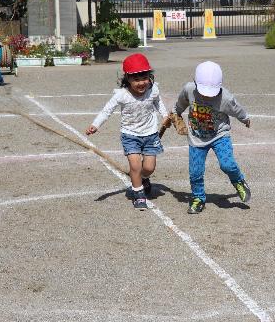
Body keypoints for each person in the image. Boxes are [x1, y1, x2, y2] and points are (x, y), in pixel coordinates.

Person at [86, 53, 170, 209]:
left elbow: (158, 103)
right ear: (127, 79)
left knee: (149, 168)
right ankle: (138, 193)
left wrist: (165, 116)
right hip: (130, 135)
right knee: (135, 166)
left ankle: (143, 179)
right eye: (136, 80)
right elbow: (107, 111)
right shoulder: (121, 95)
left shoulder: (153, 90)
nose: (141, 83)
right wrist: (95, 125)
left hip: (150, 134)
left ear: (149, 76)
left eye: (144, 78)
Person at [173, 61, 251, 214]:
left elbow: (237, 110)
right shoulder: (189, 89)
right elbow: (180, 104)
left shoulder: (225, 98)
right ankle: (198, 198)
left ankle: (239, 181)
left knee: (227, 165)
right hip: (196, 138)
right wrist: (175, 114)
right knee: (195, 171)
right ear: (195, 82)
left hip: (219, 135)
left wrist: (245, 119)